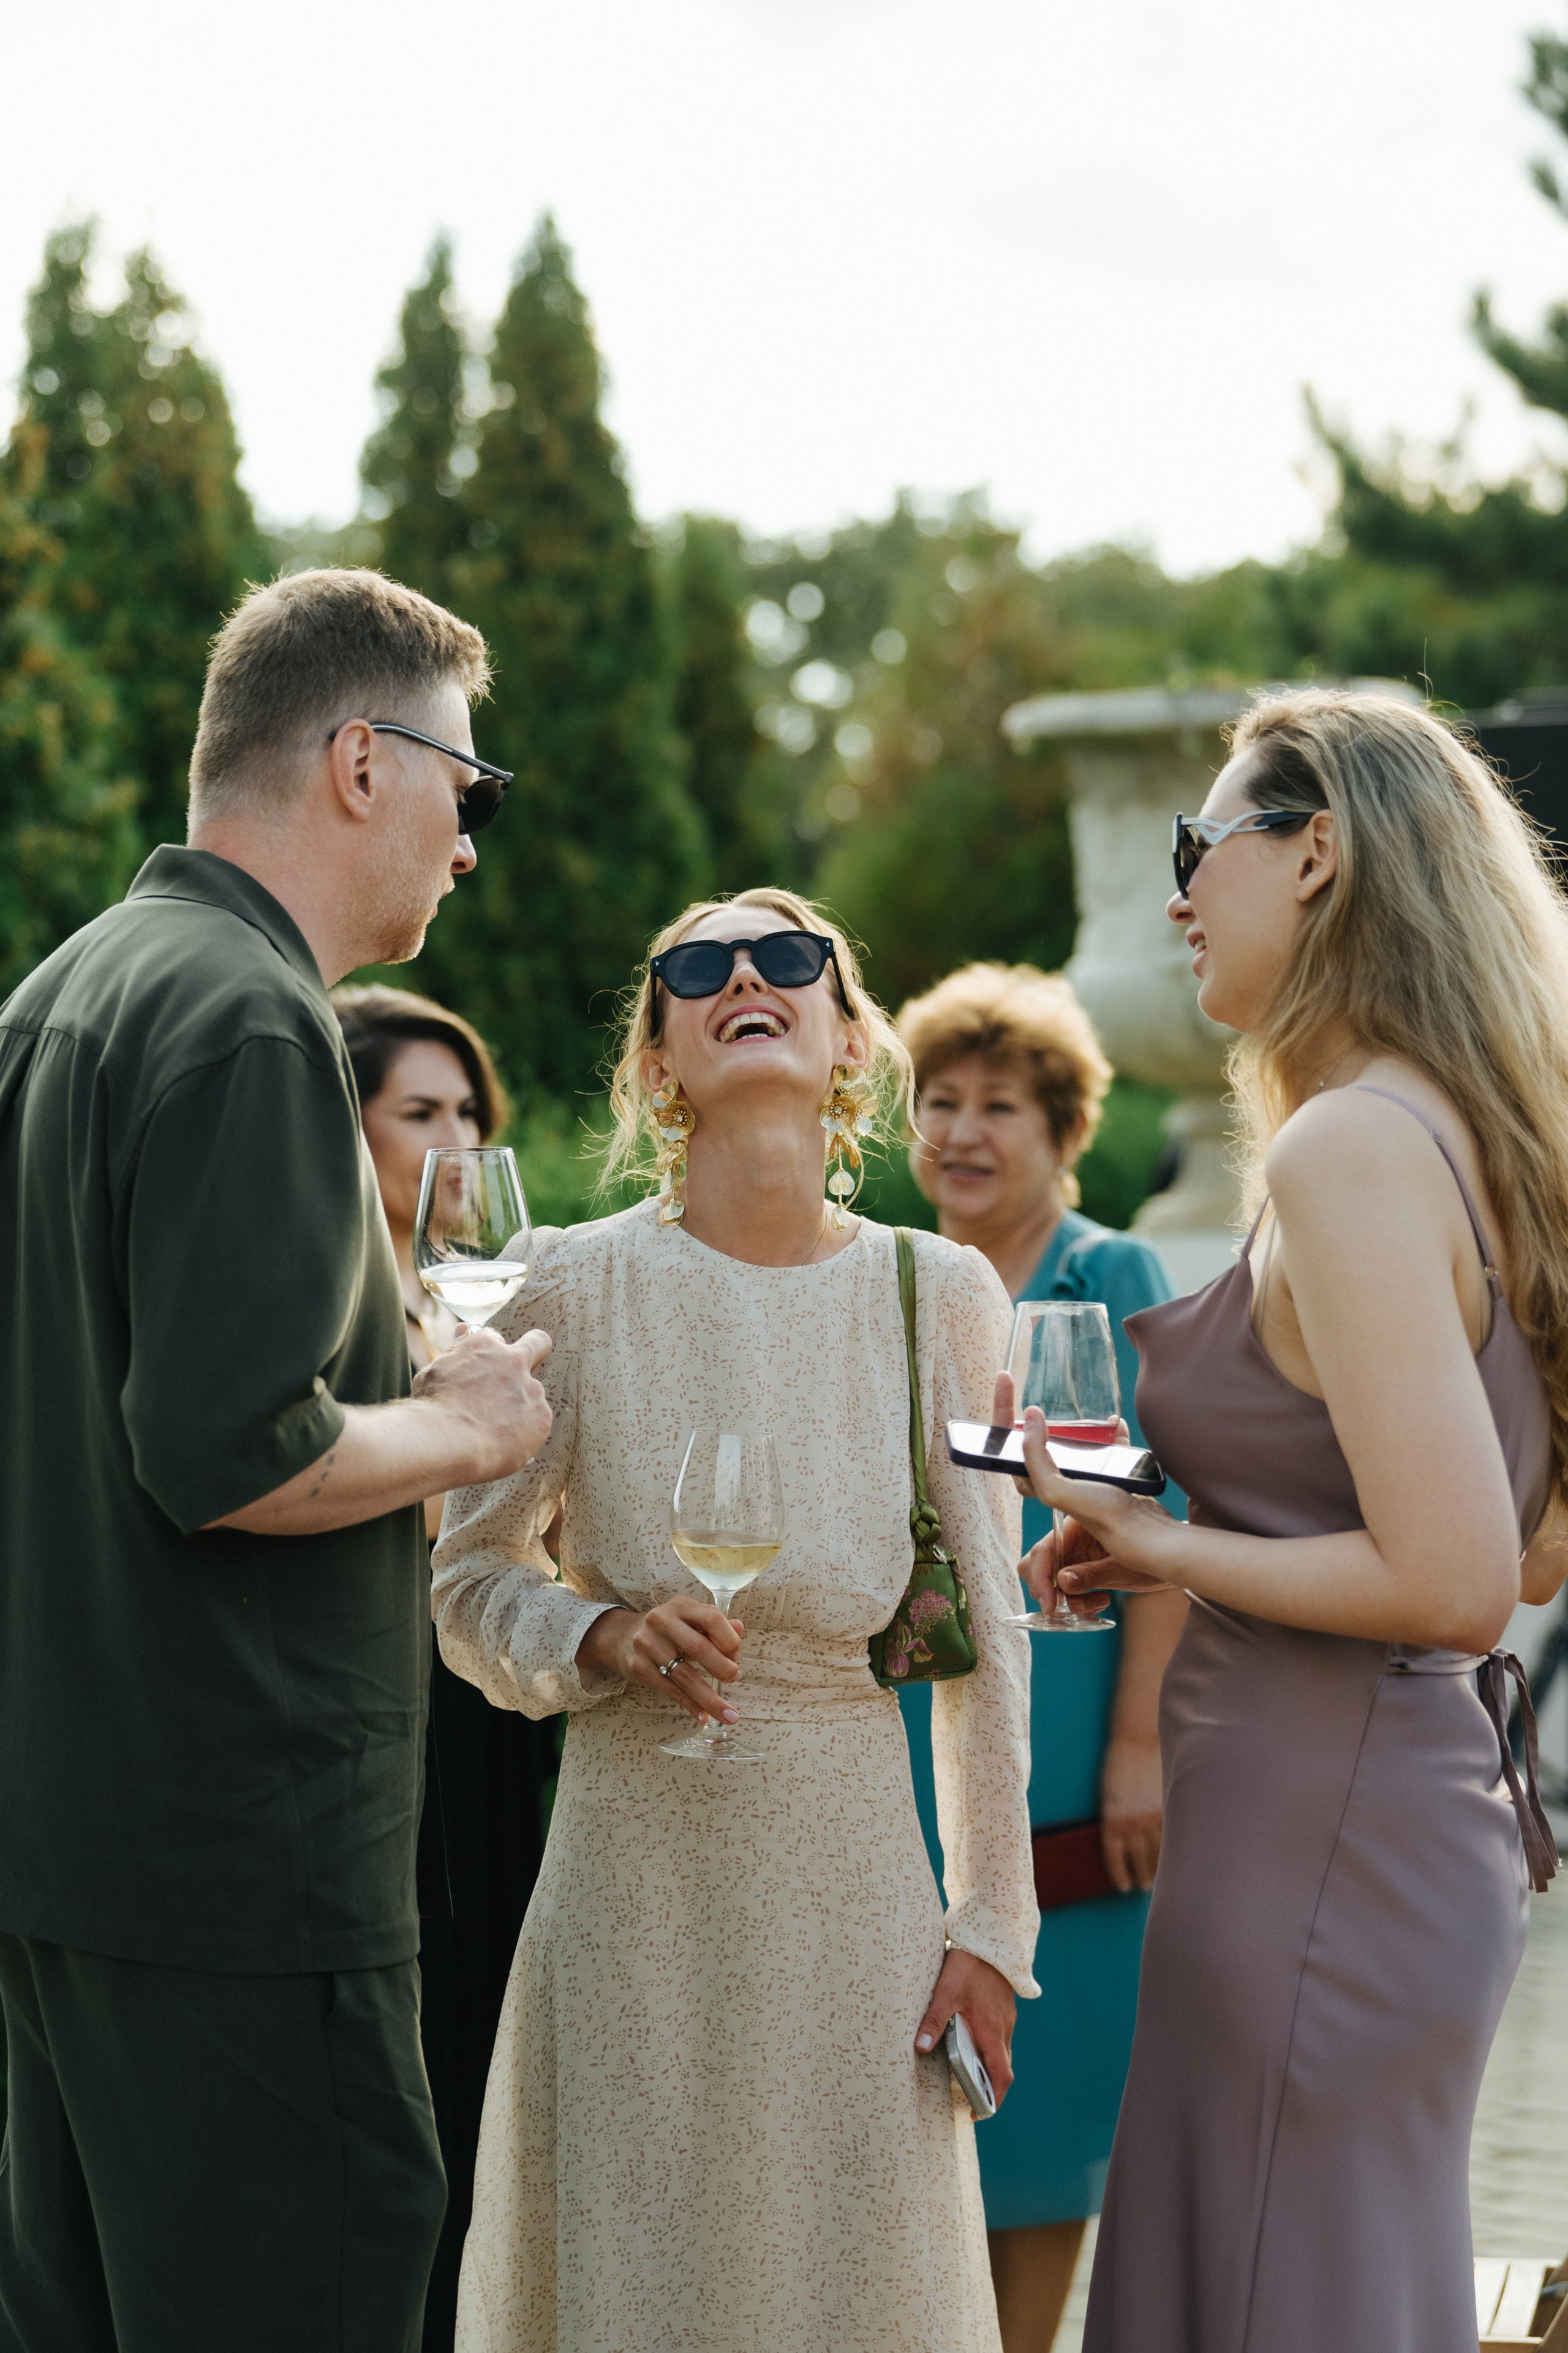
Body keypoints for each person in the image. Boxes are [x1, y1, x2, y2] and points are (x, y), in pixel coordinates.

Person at [0, 567, 554, 2353]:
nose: (472, 844)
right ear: (356, 761)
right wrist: (466, 1426)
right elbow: (229, 1455)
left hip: (73, 1846)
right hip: (241, 1863)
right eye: (470, 791)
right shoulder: (249, 1021)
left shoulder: (63, 992)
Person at [1018, 687, 1568, 2353]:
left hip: (1315, 1843)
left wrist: (1161, 1542)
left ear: (1314, 850)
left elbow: (1465, 1578)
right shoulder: (1477, 1137)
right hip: (1387, 1822)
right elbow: (1532, 1539)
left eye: (1201, 847)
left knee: (1266, 2292)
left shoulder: (1349, 1151)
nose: (1177, 894)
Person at [431, 886, 1039, 2353]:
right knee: (642, 2286)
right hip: (631, 1887)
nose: (743, 977)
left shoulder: (939, 1292)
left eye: (787, 957)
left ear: (844, 1038)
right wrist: (597, 1639)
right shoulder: (571, 1283)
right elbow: (465, 1579)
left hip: (853, 1895)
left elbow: (989, 1648)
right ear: (655, 1061)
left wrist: (991, 1928)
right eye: (694, 967)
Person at [892, 962, 1187, 2352]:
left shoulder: (1109, 1271)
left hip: (1077, 1724)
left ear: (1062, 1128)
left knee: (1053, 2093)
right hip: (923, 1722)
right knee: (920, 2075)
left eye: (995, 1105)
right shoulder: (900, 1284)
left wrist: (1138, 1749)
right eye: (936, 1101)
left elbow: (1161, 1518)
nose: (958, 1131)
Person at [333, 982, 559, 2353]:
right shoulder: (326, 1304)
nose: (456, 1140)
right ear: (342, 1124)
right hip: (374, 1710)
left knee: (482, 2049)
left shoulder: (467, 1304)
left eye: (470, 1111)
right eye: (420, 1112)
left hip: (480, 1722)